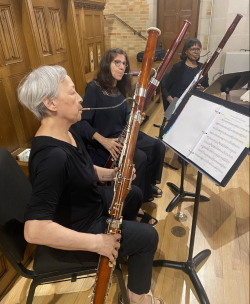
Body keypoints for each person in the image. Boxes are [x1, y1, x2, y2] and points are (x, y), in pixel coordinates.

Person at [18, 65, 164, 304]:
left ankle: (124, 249)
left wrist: (115, 175)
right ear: (51, 104)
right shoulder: (51, 157)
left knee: (134, 193)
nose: (80, 98)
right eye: (72, 92)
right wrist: (98, 243)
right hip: (79, 229)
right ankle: (136, 297)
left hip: (89, 204)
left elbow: (84, 169)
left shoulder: (67, 130)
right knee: (148, 237)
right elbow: (34, 230)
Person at [77, 48, 166, 206]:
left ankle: (147, 184)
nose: (121, 67)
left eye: (124, 63)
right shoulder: (94, 89)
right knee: (139, 157)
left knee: (157, 146)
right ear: (107, 65)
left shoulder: (120, 87)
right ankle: (138, 202)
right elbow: (82, 123)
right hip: (106, 142)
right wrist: (103, 140)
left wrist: (136, 118)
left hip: (124, 134)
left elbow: (124, 116)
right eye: (116, 62)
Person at [161, 38, 209, 111]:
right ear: (186, 51)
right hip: (178, 104)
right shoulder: (178, 67)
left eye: (198, 49)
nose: (196, 52)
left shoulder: (203, 68)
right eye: (193, 49)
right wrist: (170, 99)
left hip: (196, 105)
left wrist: (203, 89)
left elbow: (207, 87)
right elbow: (164, 88)